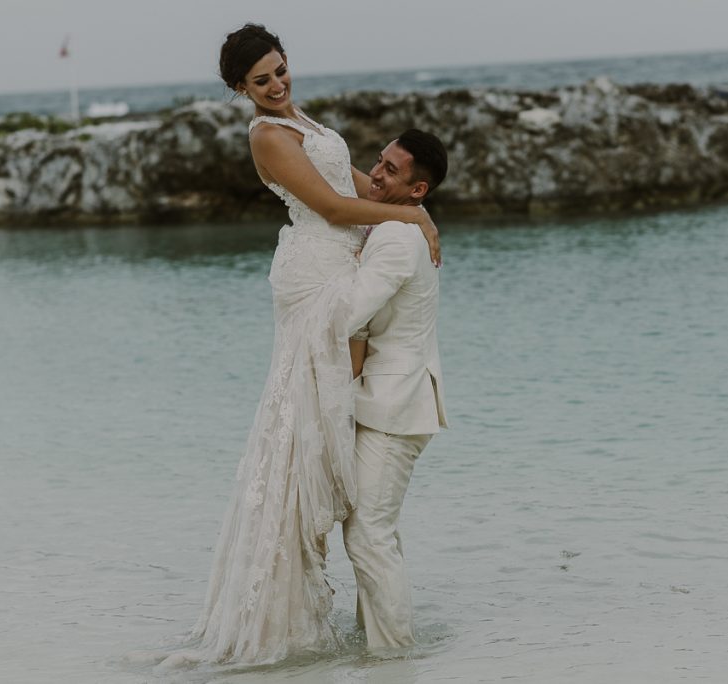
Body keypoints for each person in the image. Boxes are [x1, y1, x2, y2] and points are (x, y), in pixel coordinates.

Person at [166, 24, 442, 667]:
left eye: (281, 70)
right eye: (261, 81)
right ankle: (313, 619)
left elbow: (357, 188)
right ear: (241, 89)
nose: (277, 84)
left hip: (336, 256)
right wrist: (414, 214)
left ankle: (363, 627)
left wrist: (397, 198)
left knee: (329, 404)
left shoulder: (301, 120)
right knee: (309, 416)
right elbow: (333, 207)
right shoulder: (266, 134)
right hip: (318, 262)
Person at [342, 129, 449, 651]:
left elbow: (346, 314)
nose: (376, 174)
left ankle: (392, 658)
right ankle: (379, 645)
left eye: (391, 170)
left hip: (395, 407)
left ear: (418, 190)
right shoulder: (397, 224)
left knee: (368, 536)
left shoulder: (396, 238)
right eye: (377, 162)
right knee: (378, 534)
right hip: (388, 401)